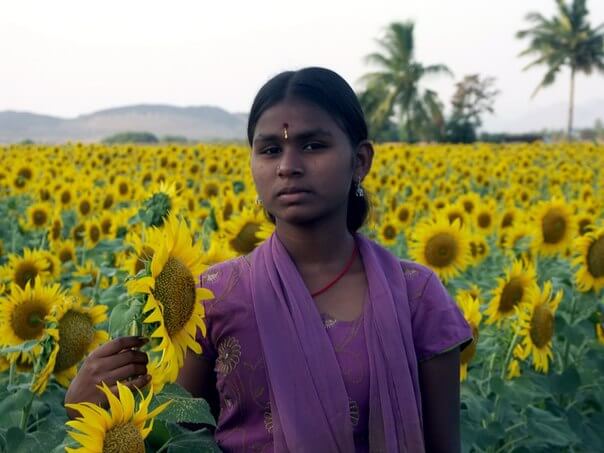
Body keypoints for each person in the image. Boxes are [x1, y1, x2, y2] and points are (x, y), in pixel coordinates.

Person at [65, 67, 473, 453]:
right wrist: (88, 410)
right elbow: (185, 440)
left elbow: (442, 446)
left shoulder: (415, 294)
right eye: (270, 149)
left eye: (313, 145)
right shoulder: (212, 294)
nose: (288, 167)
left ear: (360, 161)